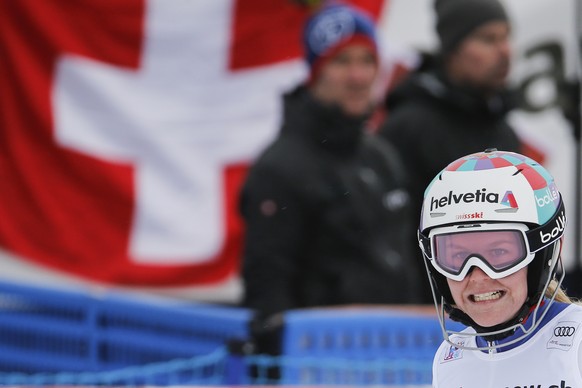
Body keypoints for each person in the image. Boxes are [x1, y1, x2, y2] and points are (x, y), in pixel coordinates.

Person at [239, 2, 423, 325]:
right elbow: (268, 294)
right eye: (341, 61)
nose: (357, 76)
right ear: (315, 72)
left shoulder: (382, 157)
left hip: (393, 355)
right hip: (319, 363)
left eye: (367, 60)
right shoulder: (279, 170)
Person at [377, 0, 526, 302]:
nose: (504, 51)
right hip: (429, 318)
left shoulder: (503, 129)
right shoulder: (408, 127)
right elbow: (394, 242)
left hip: (497, 306)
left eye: (506, 37)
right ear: (453, 50)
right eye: (488, 39)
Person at [417, 148, 582, 386]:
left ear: (541, 256)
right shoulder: (450, 358)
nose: (478, 276)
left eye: (498, 253)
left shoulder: (576, 344)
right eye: (457, 256)